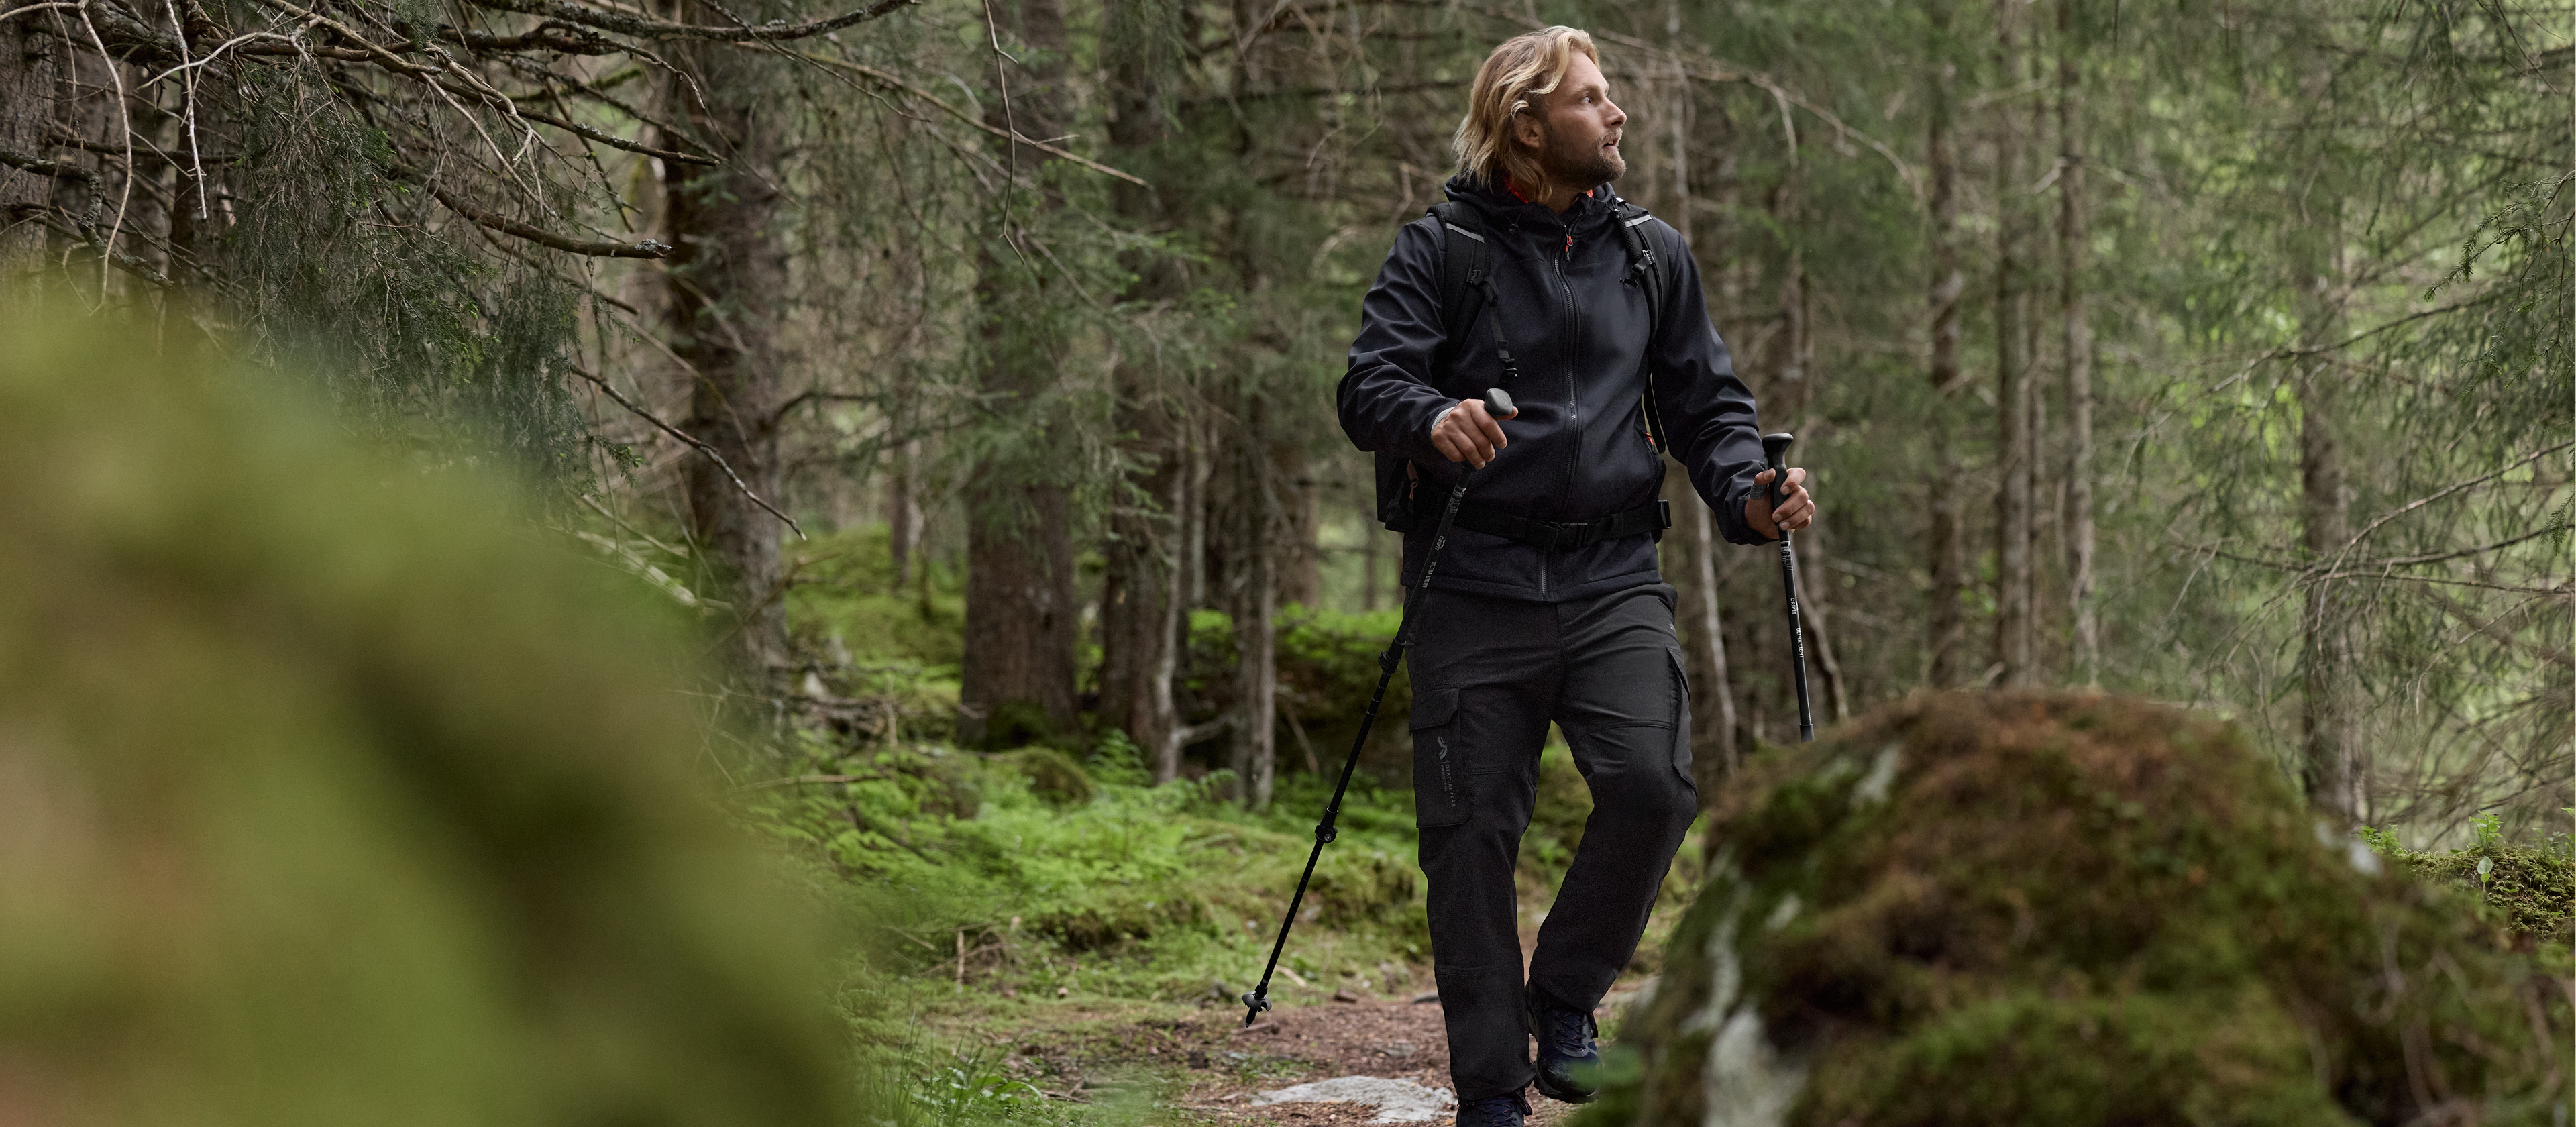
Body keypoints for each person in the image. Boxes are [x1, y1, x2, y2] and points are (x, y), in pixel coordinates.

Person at [1334, 26, 1813, 1127]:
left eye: (1610, 94)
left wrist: (1751, 493)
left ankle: (1563, 1001)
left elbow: (1708, 409)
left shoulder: (1651, 254)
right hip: (1471, 583)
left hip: (1612, 579)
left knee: (1654, 788)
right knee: (1470, 840)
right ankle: (1491, 1091)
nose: (1616, 112)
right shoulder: (1440, 251)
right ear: (1526, 124)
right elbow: (1370, 385)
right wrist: (1432, 416)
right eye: (1591, 98)